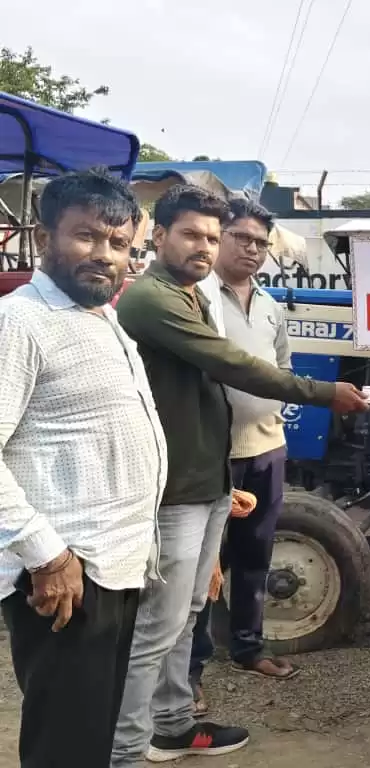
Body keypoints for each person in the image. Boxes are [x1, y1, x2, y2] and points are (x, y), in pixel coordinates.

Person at [111, 184, 369, 766]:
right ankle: (126, 748)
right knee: (159, 622)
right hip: (176, 485)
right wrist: (325, 394)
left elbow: (245, 377)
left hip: (209, 480)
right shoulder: (155, 299)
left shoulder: (197, 297)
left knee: (190, 610)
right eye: (195, 235)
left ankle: (174, 724)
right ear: (158, 236)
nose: (205, 246)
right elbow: (231, 365)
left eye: (210, 235)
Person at [0, 169, 166, 767]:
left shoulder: (101, 318)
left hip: (112, 566)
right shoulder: (19, 322)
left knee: (89, 737)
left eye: (119, 245)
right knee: (64, 747)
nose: (105, 256)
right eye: (87, 237)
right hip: (66, 575)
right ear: (46, 235)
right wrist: (47, 555)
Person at [188, 199, 299, 716]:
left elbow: (282, 370)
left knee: (255, 557)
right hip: (214, 455)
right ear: (220, 236)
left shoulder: (271, 306)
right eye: (241, 238)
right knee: (202, 567)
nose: (251, 250)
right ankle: (188, 673)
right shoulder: (196, 299)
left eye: (260, 243)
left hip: (265, 448)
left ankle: (248, 648)